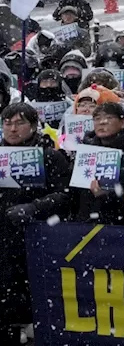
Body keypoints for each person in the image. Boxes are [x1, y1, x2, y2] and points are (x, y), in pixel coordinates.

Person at [0, 103, 72, 342]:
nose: (12, 129)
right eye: (7, 123)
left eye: (19, 123)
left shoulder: (50, 155)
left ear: (32, 126)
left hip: (36, 235)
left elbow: (65, 195)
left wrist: (33, 208)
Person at [73, 101, 124, 226]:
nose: (102, 122)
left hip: (121, 226)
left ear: (123, 123)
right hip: (84, 223)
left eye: (109, 118)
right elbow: (73, 192)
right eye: (97, 118)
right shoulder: (85, 151)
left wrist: (108, 196)